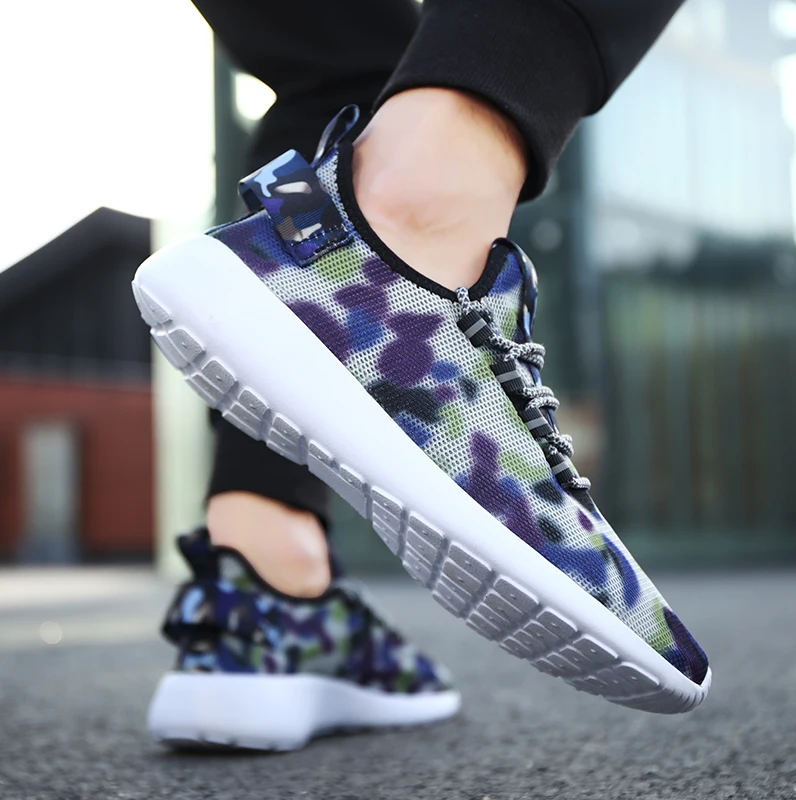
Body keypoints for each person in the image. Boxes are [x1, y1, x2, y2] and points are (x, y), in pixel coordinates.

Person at [138, 0, 710, 751]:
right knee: (397, 80)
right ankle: (412, 228)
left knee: (351, 61)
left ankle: (269, 587)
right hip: (377, 261)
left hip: (316, 234)